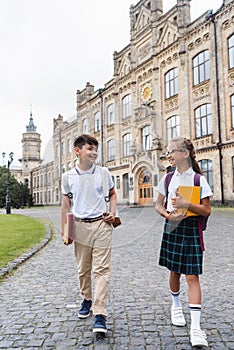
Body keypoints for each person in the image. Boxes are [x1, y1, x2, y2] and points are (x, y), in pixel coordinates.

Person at [155, 137, 212, 347]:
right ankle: (176, 305)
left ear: (185, 153)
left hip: (191, 229)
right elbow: (158, 205)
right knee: (174, 271)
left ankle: (196, 328)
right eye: (168, 152)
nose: (169, 155)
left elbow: (207, 210)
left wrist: (187, 203)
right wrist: (167, 215)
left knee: (192, 276)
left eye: (173, 151)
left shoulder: (198, 179)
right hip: (172, 227)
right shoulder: (168, 178)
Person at [61, 134, 117, 334]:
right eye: (89, 149)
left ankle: (100, 313)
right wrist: (65, 230)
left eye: (95, 149)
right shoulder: (68, 177)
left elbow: (112, 194)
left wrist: (112, 212)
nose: (94, 153)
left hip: (102, 224)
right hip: (80, 226)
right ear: (77, 151)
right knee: (83, 269)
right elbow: (66, 204)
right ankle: (86, 299)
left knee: (102, 269)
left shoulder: (104, 173)